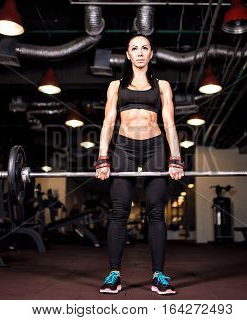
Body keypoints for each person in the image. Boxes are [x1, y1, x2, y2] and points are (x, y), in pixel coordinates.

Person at [94, 34, 184, 295]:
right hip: (124, 149)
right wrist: (103, 159)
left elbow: (168, 123)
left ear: (152, 54)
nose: (140, 52)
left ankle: (159, 276)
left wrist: (175, 159)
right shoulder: (115, 86)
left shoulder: (162, 85)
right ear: (128, 54)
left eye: (145, 48)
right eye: (135, 48)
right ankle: (114, 274)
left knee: (156, 212)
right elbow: (108, 123)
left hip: (155, 148)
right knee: (119, 211)